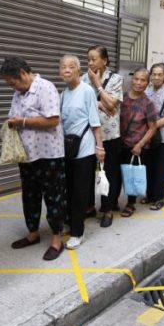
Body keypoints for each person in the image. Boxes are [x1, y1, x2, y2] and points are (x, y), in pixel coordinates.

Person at [0, 57, 66, 261]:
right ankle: (33, 233)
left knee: (53, 196)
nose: (12, 87)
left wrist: (23, 121)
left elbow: (53, 120)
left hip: (49, 154)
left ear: (23, 73)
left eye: (13, 82)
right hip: (27, 154)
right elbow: (15, 116)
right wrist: (13, 122)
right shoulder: (18, 93)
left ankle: (57, 239)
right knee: (30, 195)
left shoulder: (46, 88)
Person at [59, 55, 104, 249]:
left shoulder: (87, 91)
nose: (67, 70)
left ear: (78, 70)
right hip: (68, 148)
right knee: (68, 189)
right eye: (63, 67)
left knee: (79, 192)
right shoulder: (63, 93)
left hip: (84, 149)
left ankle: (78, 232)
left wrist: (99, 147)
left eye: (71, 66)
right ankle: (70, 221)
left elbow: (95, 121)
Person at [81, 46, 122, 228]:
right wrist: (99, 104)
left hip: (109, 136)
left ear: (104, 61)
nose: (90, 63)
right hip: (88, 135)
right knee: (88, 173)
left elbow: (112, 104)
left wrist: (97, 84)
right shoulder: (83, 78)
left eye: (94, 59)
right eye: (88, 59)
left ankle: (107, 210)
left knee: (108, 174)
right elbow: (82, 103)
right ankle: (89, 207)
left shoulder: (115, 79)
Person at [119, 67, 157, 217]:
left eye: (143, 80)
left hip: (136, 146)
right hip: (119, 144)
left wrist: (140, 145)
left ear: (147, 83)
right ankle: (112, 202)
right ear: (132, 79)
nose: (139, 83)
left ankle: (131, 203)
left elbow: (152, 128)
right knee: (116, 175)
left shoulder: (148, 103)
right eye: (136, 79)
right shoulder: (122, 98)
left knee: (132, 176)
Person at [143, 63, 164, 209]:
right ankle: (149, 195)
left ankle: (158, 199)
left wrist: (152, 127)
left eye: (159, 75)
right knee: (149, 166)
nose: (156, 77)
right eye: (154, 74)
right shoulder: (146, 91)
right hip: (148, 137)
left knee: (161, 168)